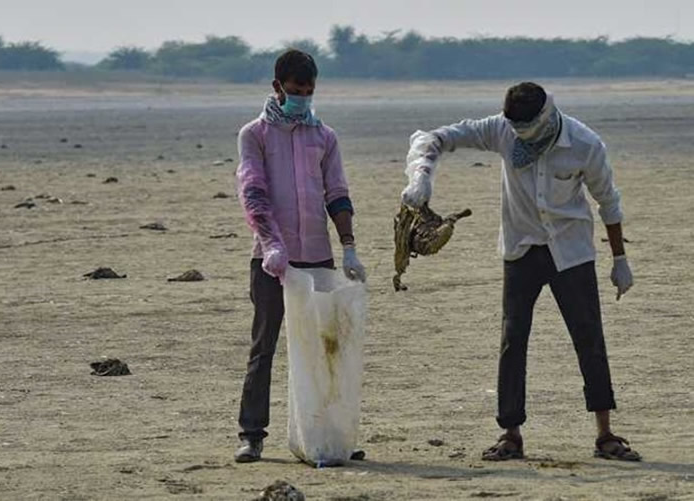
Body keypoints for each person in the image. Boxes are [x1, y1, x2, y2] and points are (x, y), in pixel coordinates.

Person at [402, 82, 641, 461]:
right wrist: (421, 175)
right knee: (513, 339)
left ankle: (605, 433)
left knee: (589, 338)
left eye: (526, 129)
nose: (520, 136)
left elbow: (607, 201)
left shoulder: (584, 143)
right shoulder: (501, 129)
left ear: (546, 115)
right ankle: (510, 433)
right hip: (521, 249)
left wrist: (619, 260)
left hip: (571, 251)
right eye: (515, 129)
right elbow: (434, 138)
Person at [234, 49, 366, 463]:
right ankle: (252, 434)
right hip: (273, 260)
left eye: (309, 92)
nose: (303, 98)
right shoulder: (254, 135)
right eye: (295, 91)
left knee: (324, 349)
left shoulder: (324, 137)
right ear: (277, 88)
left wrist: (348, 245)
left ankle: (327, 435)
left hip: (317, 256)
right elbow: (253, 191)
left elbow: (337, 193)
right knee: (265, 346)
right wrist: (271, 243)